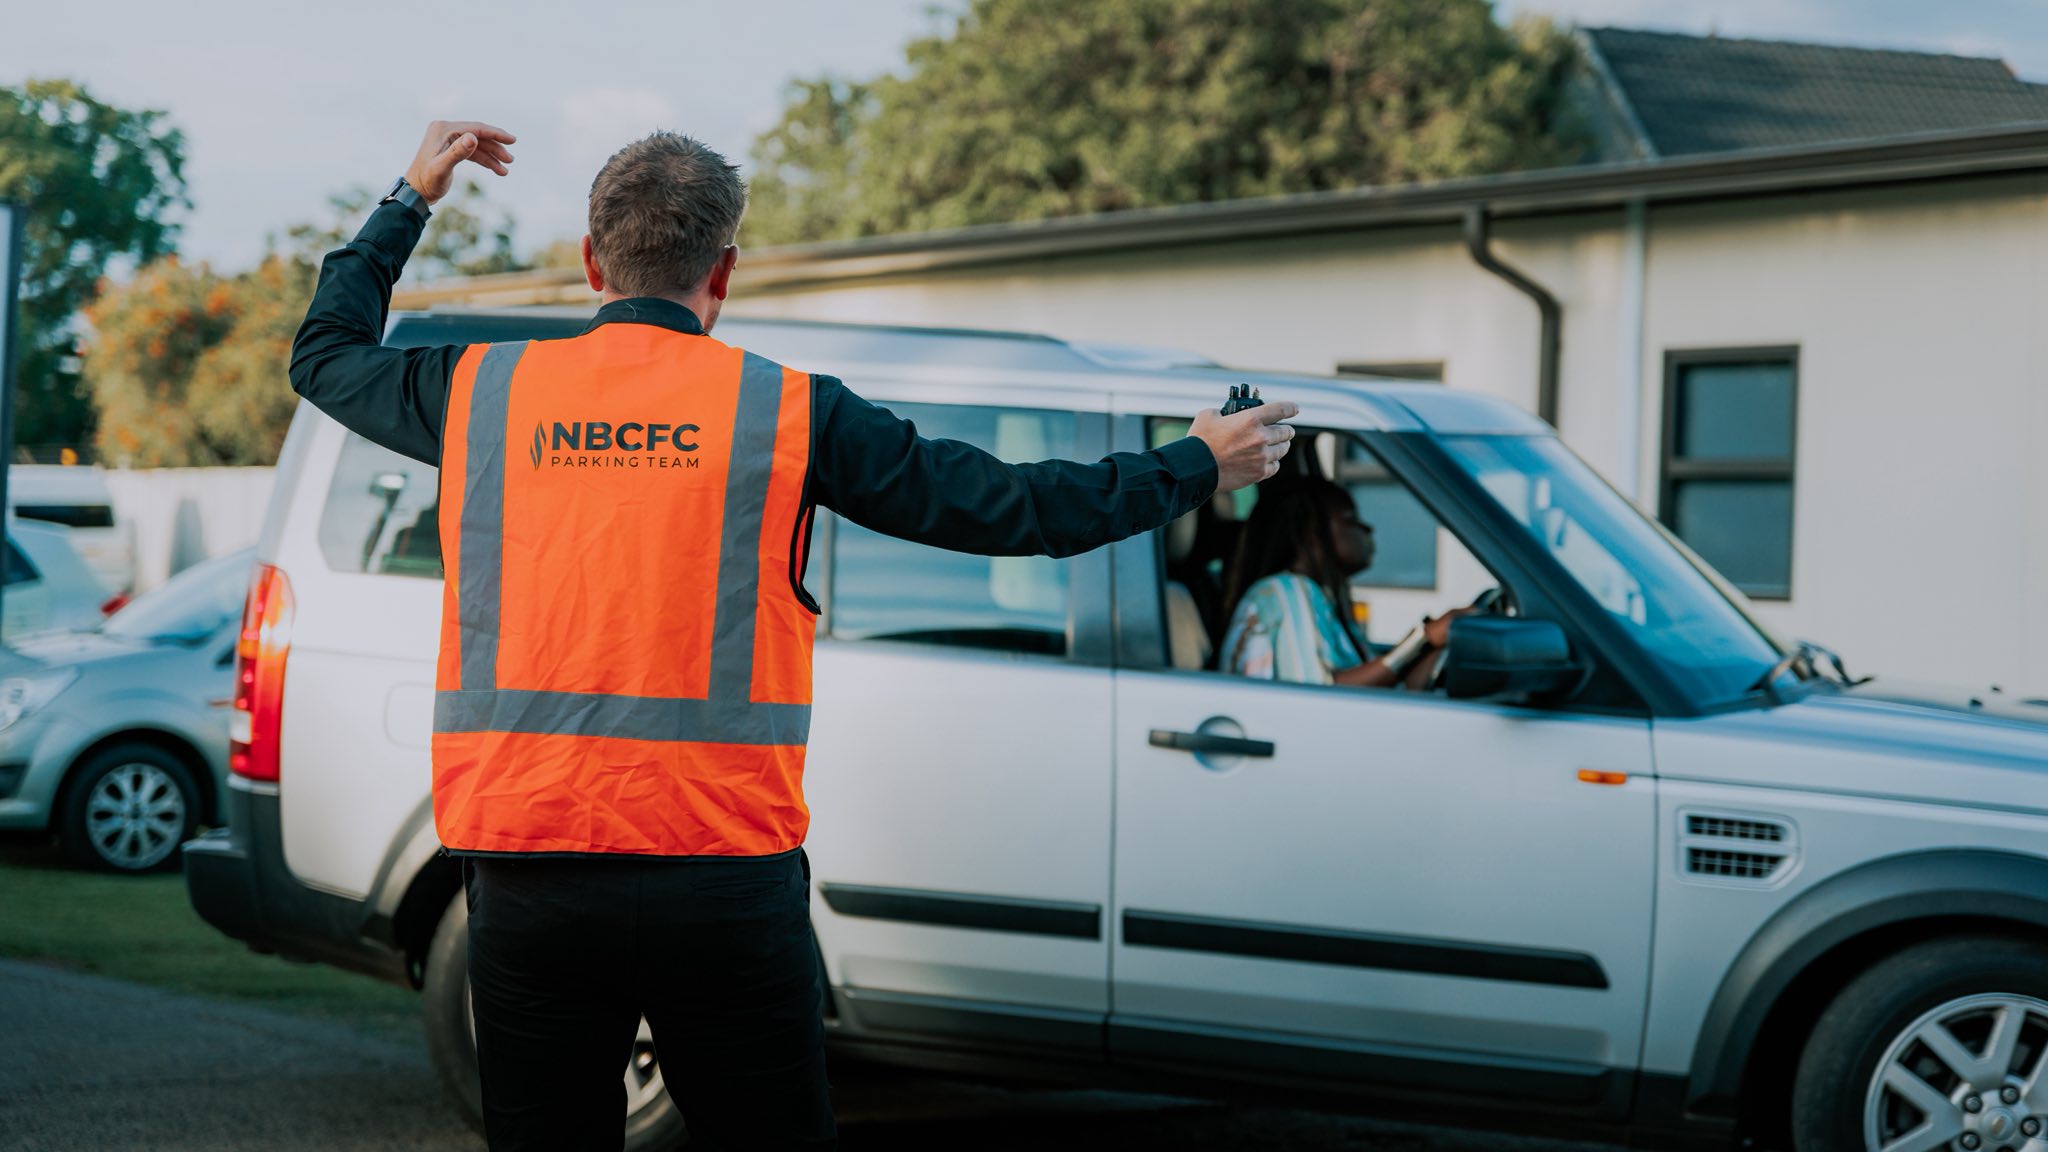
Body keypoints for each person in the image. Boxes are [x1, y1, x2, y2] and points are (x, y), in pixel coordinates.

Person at [286, 120, 1298, 1152]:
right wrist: (1194, 463)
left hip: (530, 879)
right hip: (720, 880)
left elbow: (323, 357)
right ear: (724, 269)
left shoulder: (478, 392)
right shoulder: (786, 412)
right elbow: (1011, 507)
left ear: (593, 263)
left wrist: (413, 194)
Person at [1218, 472, 1467, 688]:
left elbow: (1395, 684)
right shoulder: (1286, 590)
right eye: (1350, 519)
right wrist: (1422, 638)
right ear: (1312, 533)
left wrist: (1436, 642)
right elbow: (1320, 694)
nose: (1367, 529)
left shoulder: (1323, 597)